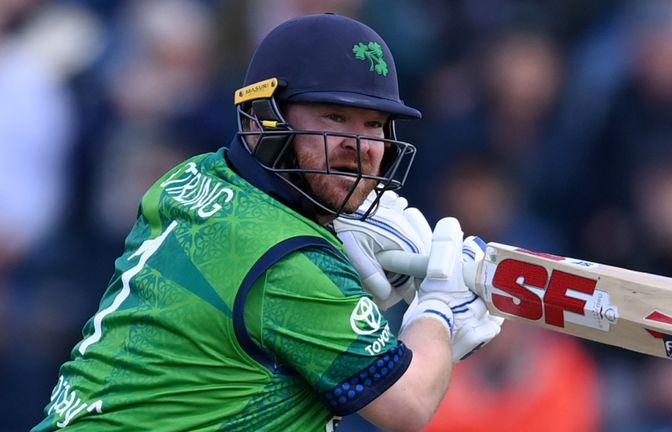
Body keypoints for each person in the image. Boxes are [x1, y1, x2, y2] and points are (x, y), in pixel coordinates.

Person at [32, 13, 501, 431]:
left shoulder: (191, 177)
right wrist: (437, 308)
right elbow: (409, 404)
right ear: (261, 118)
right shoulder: (290, 262)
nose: (359, 146)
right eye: (334, 116)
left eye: (374, 124)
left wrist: (337, 268)